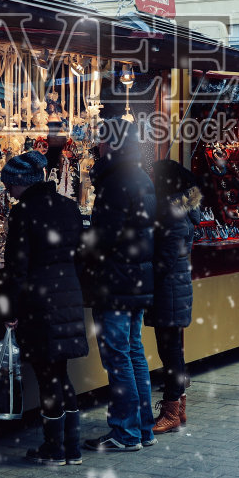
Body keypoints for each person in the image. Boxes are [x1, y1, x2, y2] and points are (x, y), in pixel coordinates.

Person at [1, 151, 89, 466]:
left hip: (39, 302)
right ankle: (71, 447)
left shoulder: (23, 213)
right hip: (67, 297)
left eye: (10, 185)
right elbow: (81, 255)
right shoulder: (69, 208)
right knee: (60, 373)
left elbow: (16, 267)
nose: (8, 191)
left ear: (20, 183)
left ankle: (55, 448)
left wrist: (9, 309)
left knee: (46, 375)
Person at [79, 122, 157, 452]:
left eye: (101, 140)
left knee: (118, 356)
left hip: (116, 281)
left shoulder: (115, 182)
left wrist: (83, 244)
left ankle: (126, 432)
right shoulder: (140, 177)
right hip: (137, 279)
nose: (97, 145)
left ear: (112, 144)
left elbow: (105, 236)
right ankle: (142, 428)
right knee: (134, 352)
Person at [147, 158, 201, 434]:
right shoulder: (183, 208)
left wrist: (148, 277)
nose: (151, 180)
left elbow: (166, 255)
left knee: (169, 353)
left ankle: (171, 411)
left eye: (155, 175)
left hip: (168, 289)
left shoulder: (171, 212)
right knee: (173, 352)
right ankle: (177, 406)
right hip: (176, 287)